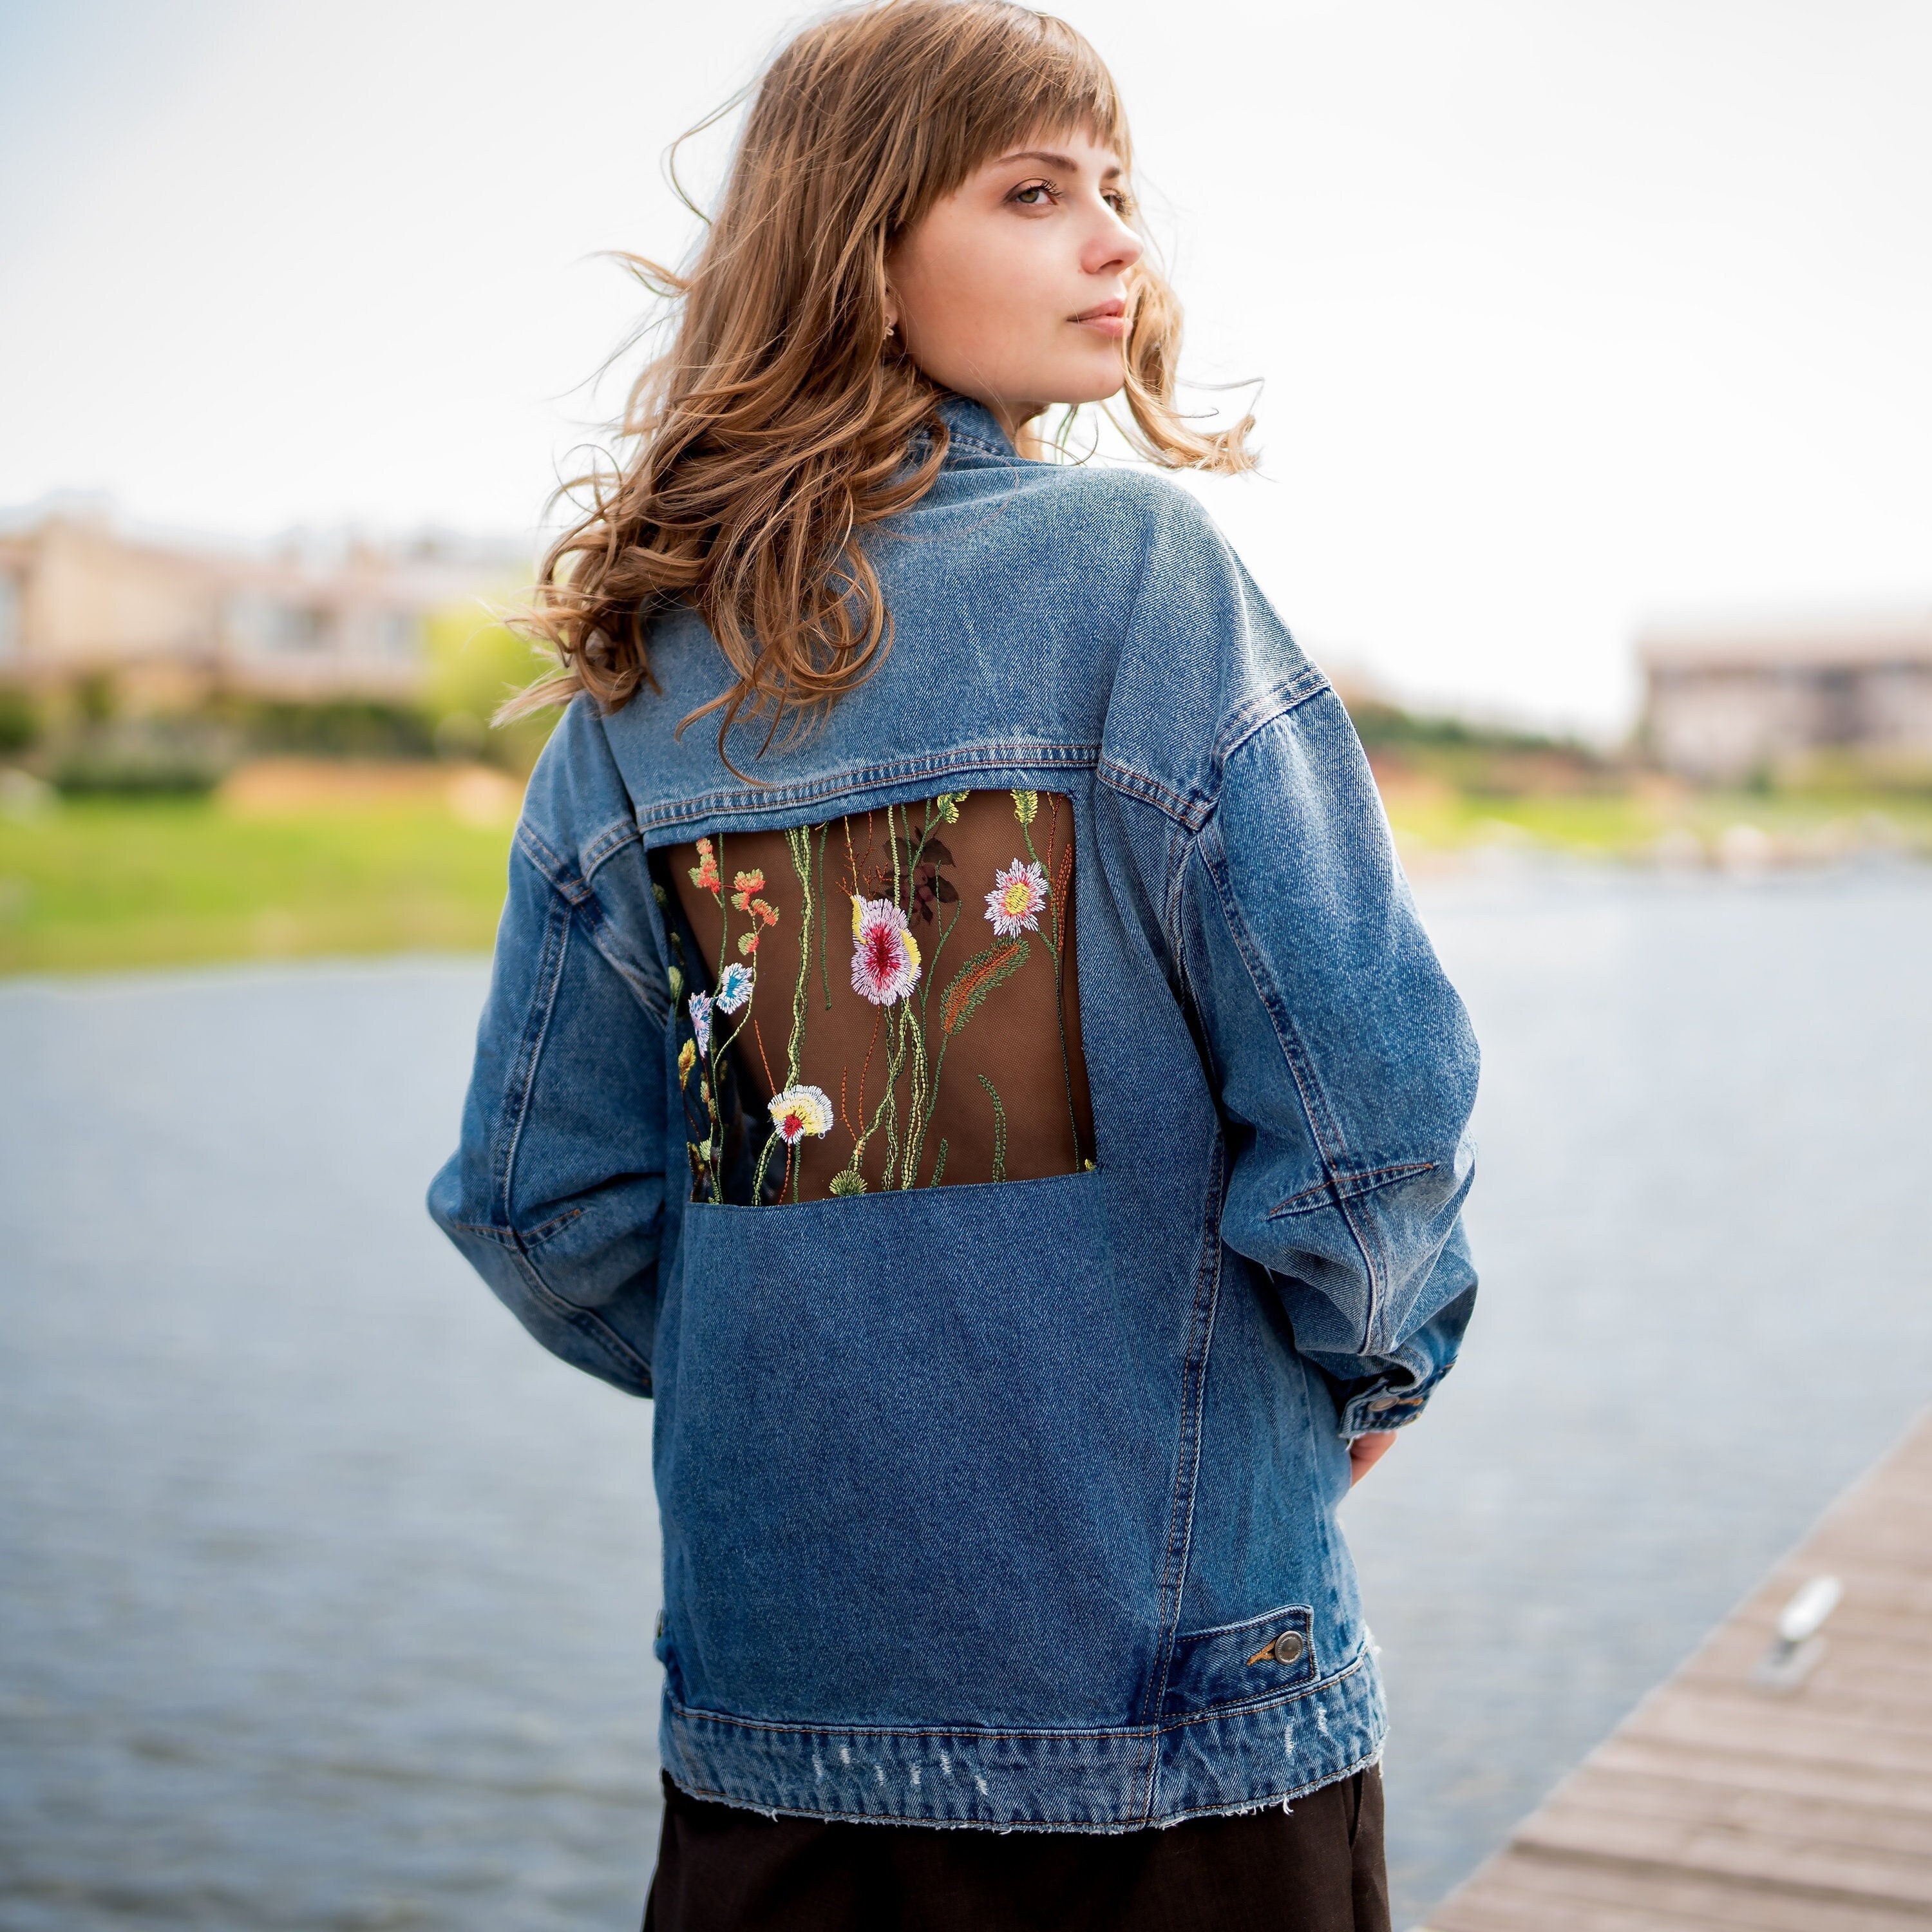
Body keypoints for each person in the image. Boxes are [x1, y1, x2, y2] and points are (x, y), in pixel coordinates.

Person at [430, 3, 1479, 1926]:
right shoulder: (1136, 576)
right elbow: (1367, 1126)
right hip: (1178, 1741)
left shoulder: (635, 694)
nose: (1118, 243)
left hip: (777, 1739)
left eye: (1119, 195)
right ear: (858, 242)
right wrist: (1381, 1365)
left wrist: (811, 1354)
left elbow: (535, 1205)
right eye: (1034, 190)